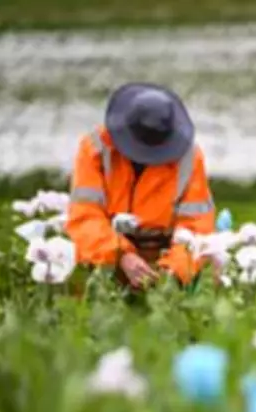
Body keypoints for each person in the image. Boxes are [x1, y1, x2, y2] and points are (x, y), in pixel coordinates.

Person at [65, 83, 215, 290]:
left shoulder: (190, 158)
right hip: (102, 261)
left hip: (163, 265)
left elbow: (196, 229)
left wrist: (169, 275)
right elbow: (85, 218)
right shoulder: (95, 149)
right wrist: (121, 255)